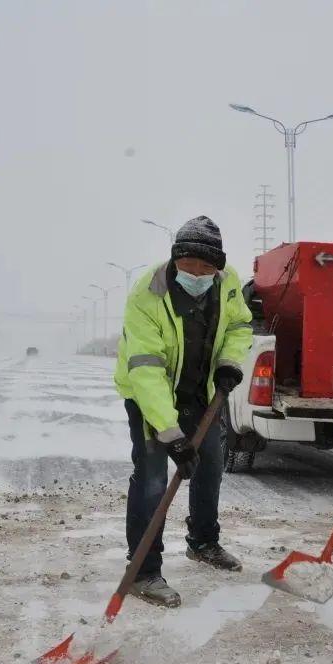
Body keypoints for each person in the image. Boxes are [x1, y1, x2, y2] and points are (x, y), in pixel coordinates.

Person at [113, 215, 253, 607]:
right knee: (153, 479)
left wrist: (230, 362)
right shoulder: (148, 294)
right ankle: (143, 571)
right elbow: (146, 369)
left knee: (210, 465)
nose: (196, 273)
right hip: (150, 396)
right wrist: (171, 435)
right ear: (175, 259)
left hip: (202, 393)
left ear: (218, 267)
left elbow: (241, 324)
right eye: (188, 265)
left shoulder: (226, 284)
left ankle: (203, 542)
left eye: (205, 268)